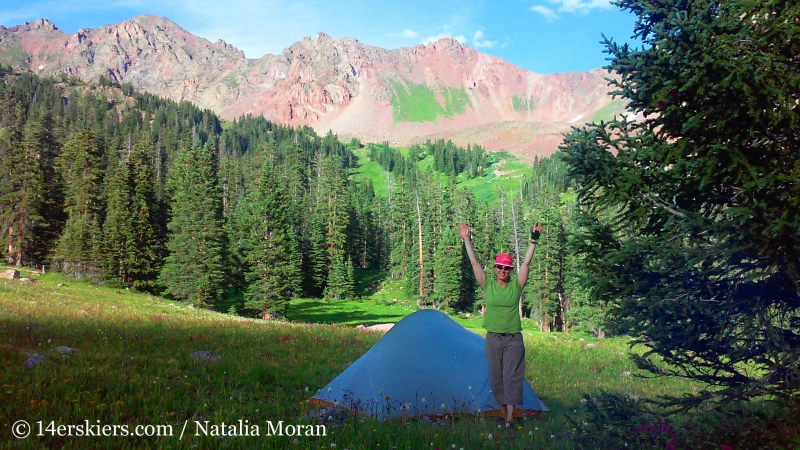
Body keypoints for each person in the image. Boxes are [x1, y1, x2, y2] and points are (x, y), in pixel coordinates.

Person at [458, 221, 542, 426]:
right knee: (496, 378)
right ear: (495, 268)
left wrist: (534, 240)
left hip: (513, 338)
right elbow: (475, 264)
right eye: (500, 267)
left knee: (512, 378)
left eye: (506, 267)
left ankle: (511, 417)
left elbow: (526, 264)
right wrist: (466, 239)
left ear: (510, 270)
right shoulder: (487, 285)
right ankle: (504, 415)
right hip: (493, 338)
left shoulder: (516, 285)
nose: (503, 270)